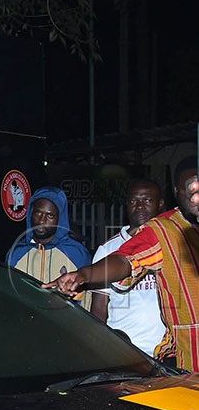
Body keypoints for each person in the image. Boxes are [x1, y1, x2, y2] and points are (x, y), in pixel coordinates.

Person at [49, 158, 199, 371]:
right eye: (190, 188)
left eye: (147, 200)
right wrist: (84, 274)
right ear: (177, 192)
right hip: (172, 361)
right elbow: (125, 261)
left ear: (160, 202)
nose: (196, 196)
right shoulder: (164, 232)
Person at [88, 179, 166, 356]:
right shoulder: (108, 249)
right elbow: (100, 307)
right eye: (133, 201)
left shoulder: (170, 244)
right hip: (125, 350)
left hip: (167, 351)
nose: (139, 206)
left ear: (160, 204)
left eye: (147, 200)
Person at [6, 186, 91, 284]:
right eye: (38, 213)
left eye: (50, 216)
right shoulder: (17, 252)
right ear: (31, 213)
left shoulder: (77, 253)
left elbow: (86, 296)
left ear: (60, 219)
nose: (42, 220)